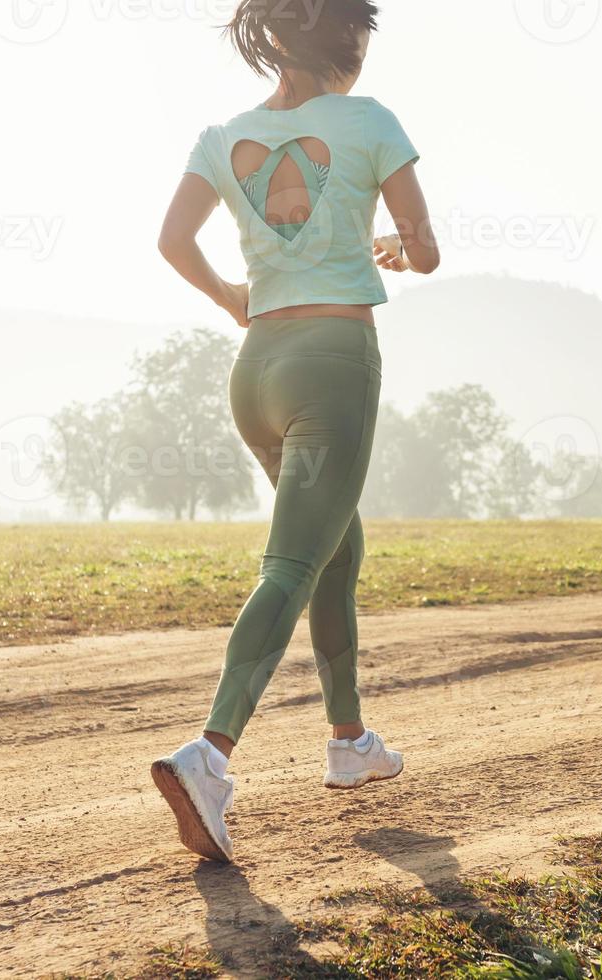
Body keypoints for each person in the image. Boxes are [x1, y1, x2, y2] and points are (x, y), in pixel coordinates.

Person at [151, 0, 440, 862]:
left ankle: (350, 743)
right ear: (346, 43)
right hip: (333, 363)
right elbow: (425, 250)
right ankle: (208, 754)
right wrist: (393, 246)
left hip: (256, 373)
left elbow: (172, 240)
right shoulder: (368, 120)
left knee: (333, 550)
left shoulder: (223, 134)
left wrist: (233, 298)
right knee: (291, 564)